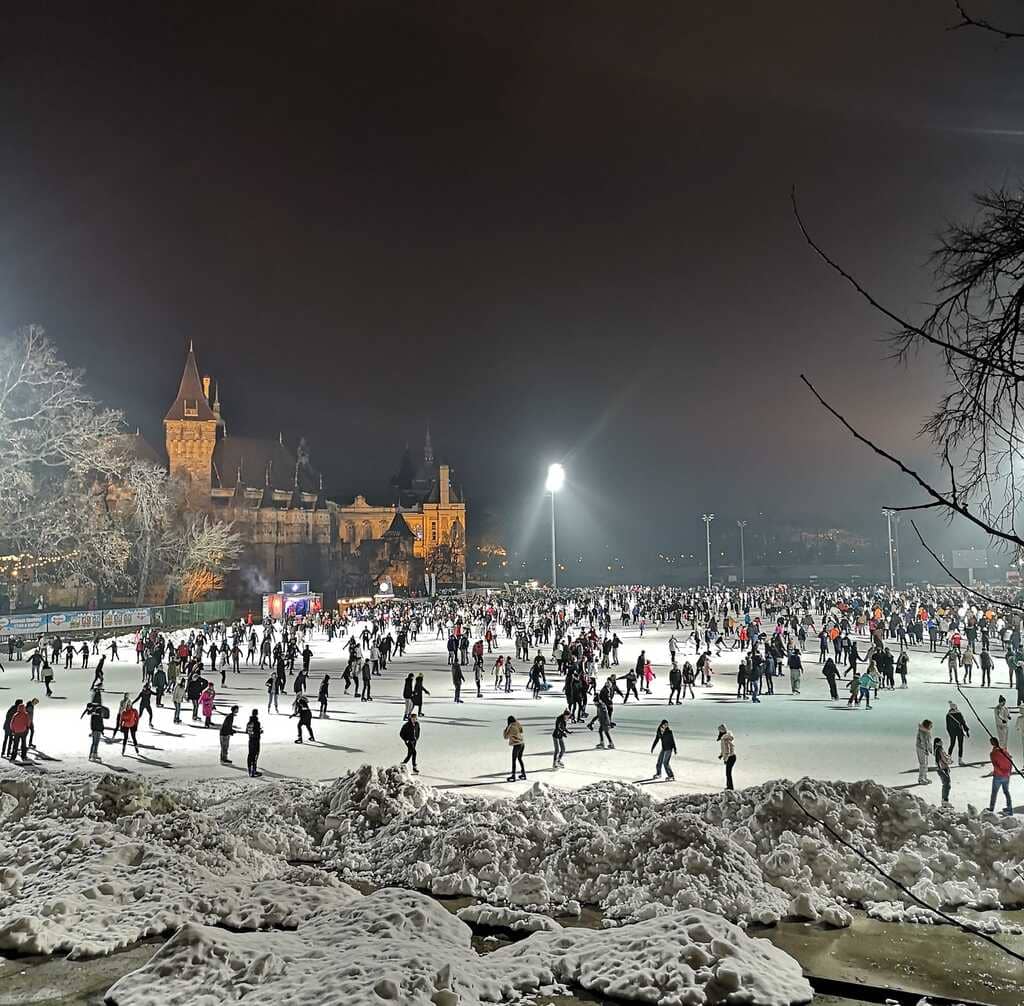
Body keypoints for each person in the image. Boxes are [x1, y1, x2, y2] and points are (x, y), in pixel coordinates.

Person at [988, 735, 1014, 816]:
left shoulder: (993, 754)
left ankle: (991, 808)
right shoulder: (1005, 751)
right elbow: (1010, 762)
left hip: (998, 776)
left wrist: (1000, 773)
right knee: (1006, 792)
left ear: (992, 744)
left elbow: (995, 766)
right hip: (1007, 775)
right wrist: (1008, 772)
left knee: (994, 792)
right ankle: (1009, 808)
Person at [946, 701, 970, 766]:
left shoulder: (948, 715)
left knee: (952, 745)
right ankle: (960, 760)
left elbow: (948, 726)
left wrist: (950, 733)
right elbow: (963, 723)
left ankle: (948, 759)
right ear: (956, 707)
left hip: (952, 733)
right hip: (960, 732)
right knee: (960, 745)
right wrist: (967, 731)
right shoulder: (959, 714)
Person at [503, 715, 526, 781]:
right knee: (519, 758)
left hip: (517, 745)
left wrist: (506, 729)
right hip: (522, 744)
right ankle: (523, 773)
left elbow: (505, 736)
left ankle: (513, 776)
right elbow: (521, 731)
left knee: (514, 760)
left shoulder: (511, 727)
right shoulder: (518, 724)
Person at [934, 736, 952, 805]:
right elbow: (944, 759)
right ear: (937, 743)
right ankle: (945, 800)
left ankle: (945, 800)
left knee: (946, 784)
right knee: (947, 784)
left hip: (942, 768)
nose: (942, 742)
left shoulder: (939, 749)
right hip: (942, 769)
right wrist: (949, 761)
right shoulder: (939, 749)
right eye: (940, 741)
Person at [717, 723, 736, 790]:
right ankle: (729, 787)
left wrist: (726, 759)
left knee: (728, 773)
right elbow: (724, 749)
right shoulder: (726, 737)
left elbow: (727, 750)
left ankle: (730, 788)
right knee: (728, 773)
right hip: (732, 756)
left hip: (730, 757)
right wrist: (721, 755)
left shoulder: (725, 739)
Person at [246, 709, 262, 777]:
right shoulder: (257, 723)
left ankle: (249, 770)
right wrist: (260, 731)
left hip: (250, 740)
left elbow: (247, 731)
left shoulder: (249, 723)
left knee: (250, 755)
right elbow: (257, 732)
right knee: (255, 755)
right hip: (256, 740)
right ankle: (253, 771)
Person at [916, 719, 933, 785]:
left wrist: (930, 749)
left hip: (925, 749)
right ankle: (920, 779)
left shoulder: (927, 731)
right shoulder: (922, 732)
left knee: (926, 764)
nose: (932, 726)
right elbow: (923, 742)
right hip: (920, 748)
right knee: (923, 764)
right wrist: (925, 749)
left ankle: (925, 777)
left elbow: (929, 742)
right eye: (931, 725)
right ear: (927, 725)